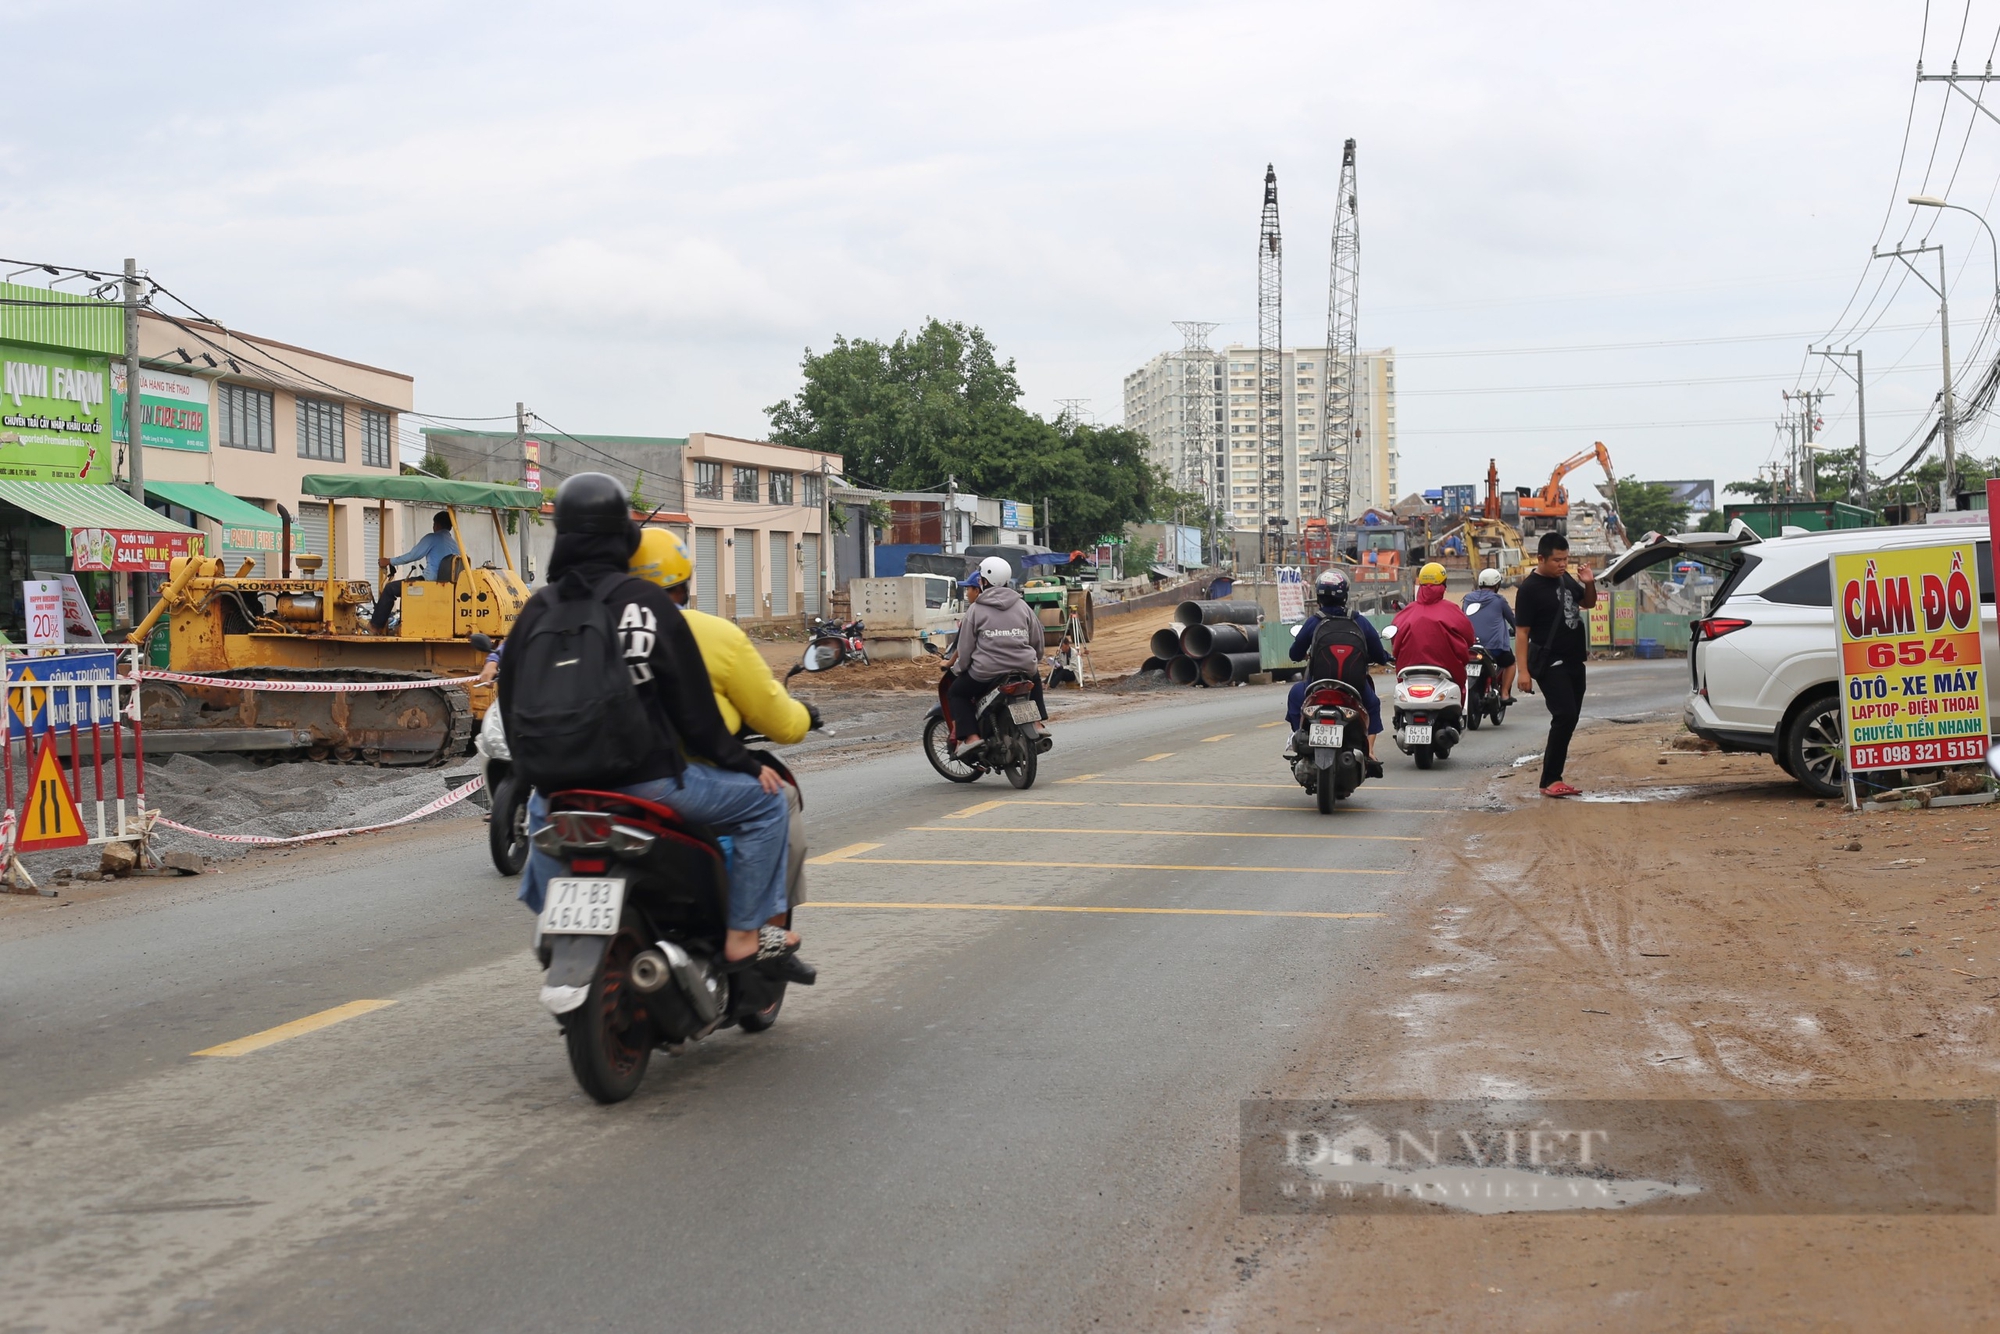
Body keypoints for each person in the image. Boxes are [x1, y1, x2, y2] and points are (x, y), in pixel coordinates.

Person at [503, 474, 802, 971]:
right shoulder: (646, 606)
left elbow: (510, 701)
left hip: (558, 794)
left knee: (541, 826)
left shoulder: (537, 610)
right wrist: (742, 763)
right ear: (623, 538)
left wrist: (537, 778)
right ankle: (744, 937)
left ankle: (551, 922)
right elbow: (692, 711)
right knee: (768, 806)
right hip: (649, 783)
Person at [628, 527, 821, 915]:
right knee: (776, 800)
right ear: (682, 587)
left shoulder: (590, 625)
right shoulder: (708, 633)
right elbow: (778, 723)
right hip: (671, 776)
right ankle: (760, 926)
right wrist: (804, 716)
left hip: (588, 779)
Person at [1514, 531, 1598, 798]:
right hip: (1551, 663)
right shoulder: (1529, 589)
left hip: (1575, 660)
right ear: (1541, 558)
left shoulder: (1565, 579)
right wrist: (1523, 672)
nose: (1562, 564)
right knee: (1564, 715)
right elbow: (1522, 632)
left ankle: (1553, 777)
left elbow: (1588, 602)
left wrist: (1588, 583)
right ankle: (1550, 779)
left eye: (1566, 559)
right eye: (1557, 560)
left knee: (1569, 718)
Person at [1287, 567, 1387, 778]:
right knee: (1373, 704)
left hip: (1317, 687)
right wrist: (1385, 657)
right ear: (1345, 595)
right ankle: (1368, 751)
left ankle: (1299, 737)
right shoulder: (1359, 621)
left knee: (1295, 695)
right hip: (1354, 688)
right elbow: (1379, 654)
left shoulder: (1314, 621)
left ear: (1318, 595)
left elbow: (1294, 654)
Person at [947, 555, 1047, 757]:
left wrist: (958, 669)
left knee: (956, 692)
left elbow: (965, 649)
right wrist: (1034, 659)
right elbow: (1038, 640)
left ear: (983, 581)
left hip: (987, 673)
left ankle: (972, 738)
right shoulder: (1022, 606)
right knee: (1034, 677)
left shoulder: (976, 610)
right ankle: (1036, 722)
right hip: (1023, 667)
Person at [1390, 562, 1477, 694]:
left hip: (1408, 674)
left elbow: (1394, 643)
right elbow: (1469, 638)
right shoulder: (1452, 611)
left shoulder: (1405, 613)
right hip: (1448, 672)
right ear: (1443, 585)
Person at [371, 511, 460, 632]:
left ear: (436, 525)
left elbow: (413, 556)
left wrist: (389, 561)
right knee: (405, 586)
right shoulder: (455, 544)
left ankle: (375, 626)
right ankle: (398, 625)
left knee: (390, 589)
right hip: (447, 584)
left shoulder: (432, 538)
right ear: (450, 526)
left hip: (430, 582)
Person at [1461, 567, 1519, 701]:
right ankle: (1505, 693)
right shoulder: (1499, 600)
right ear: (1497, 585)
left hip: (1469, 647)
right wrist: (1517, 631)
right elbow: (1512, 619)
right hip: (1493, 649)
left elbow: (1461, 619)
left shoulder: (1468, 599)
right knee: (1510, 663)